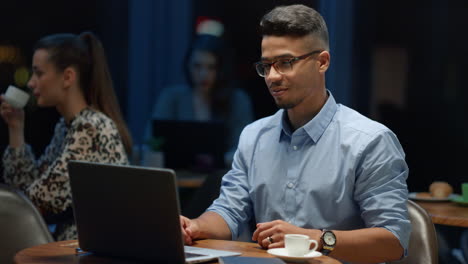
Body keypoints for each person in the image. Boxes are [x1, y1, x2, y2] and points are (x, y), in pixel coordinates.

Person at [180, 5, 411, 264]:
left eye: (285, 63)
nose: (272, 77)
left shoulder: (370, 140)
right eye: (266, 66)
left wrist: (314, 239)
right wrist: (195, 226)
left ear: (322, 62)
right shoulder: (254, 137)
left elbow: (394, 240)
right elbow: (229, 210)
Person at [0, 32, 132, 241]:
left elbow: (38, 202)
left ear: (68, 77)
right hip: (72, 242)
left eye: (39, 73)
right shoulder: (67, 126)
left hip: (97, 246)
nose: (31, 83)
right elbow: (25, 188)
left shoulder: (91, 127)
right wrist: (16, 128)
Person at [146, 18, 254, 166]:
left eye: (211, 67)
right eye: (197, 66)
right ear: (188, 66)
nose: (203, 74)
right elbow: (152, 143)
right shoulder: (171, 97)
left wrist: (218, 161)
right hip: (177, 178)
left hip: (223, 180)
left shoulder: (237, 100)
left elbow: (243, 151)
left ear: (221, 69)